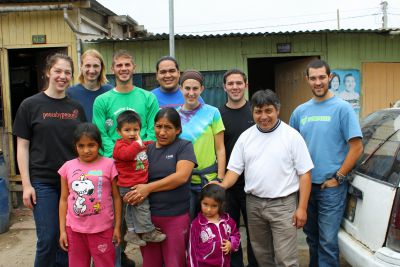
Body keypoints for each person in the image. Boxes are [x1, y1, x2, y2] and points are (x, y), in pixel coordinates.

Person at [217, 89, 313, 266]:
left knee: (286, 259)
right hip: (253, 204)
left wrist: (302, 208)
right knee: (262, 256)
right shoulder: (246, 137)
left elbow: (305, 174)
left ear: (277, 110)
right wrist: (220, 186)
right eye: (258, 111)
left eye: (268, 110)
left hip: (284, 205)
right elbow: (234, 171)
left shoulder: (292, 136)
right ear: (252, 112)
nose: (263, 116)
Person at [13, 53, 87, 267]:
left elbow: (84, 146)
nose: (62, 76)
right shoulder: (30, 105)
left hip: (73, 182)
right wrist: (26, 185)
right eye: (58, 71)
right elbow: (22, 146)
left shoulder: (76, 108)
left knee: (67, 239)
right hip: (43, 181)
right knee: (47, 238)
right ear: (47, 72)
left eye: (67, 72)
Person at [289, 59, 363, 267]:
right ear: (307, 80)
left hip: (331, 188)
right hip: (305, 188)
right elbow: (291, 148)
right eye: (313, 78)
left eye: (322, 77)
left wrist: (338, 177)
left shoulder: (343, 109)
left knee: (328, 243)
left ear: (330, 78)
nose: (318, 82)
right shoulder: (300, 112)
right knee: (312, 239)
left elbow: (357, 147)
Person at [123, 107, 198, 267]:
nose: (162, 132)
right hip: (147, 219)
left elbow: (181, 177)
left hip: (175, 217)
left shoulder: (184, 146)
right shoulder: (146, 149)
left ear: (178, 129)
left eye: (168, 127)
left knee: (175, 262)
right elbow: (130, 174)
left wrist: (148, 188)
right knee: (150, 263)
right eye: (158, 126)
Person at [58, 123, 121, 267]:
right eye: (81, 146)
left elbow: (117, 198)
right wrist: (62, 231)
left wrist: (117, 227)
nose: (86, 150)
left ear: (98, 144)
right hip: (74, 230)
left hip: (103, 229)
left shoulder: (110, 164)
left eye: (91, 145)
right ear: (75, 146)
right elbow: (63, 199)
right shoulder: (67, 167)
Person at [218, 69, 258, 267]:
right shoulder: (217, 114)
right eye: (230, 84)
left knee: (255, 233)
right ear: (224, 87)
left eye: (239, 83)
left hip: (253, 184)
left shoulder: (256, 112)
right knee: (229, 232)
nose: (235, 87)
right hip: (228, 184)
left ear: (246, 85)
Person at [176, 70, 226, 220]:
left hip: (208, 180)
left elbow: (220, 148)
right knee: (187, 224)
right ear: (180, 89)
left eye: (195, 88)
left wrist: (220, 179)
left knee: (210, 223)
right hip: (184, 181)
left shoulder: (213, 113)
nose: (191, 93)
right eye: (187, 88)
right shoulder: (174, 115)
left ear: (202, 89)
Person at [113, 110, 166, 246]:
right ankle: (148, 231)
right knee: (142, 206)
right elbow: (126, 155)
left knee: (131, 209)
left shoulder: (138, 143)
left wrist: (148, 144)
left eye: (135, 129)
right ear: (119, 132)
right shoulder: (120, 146)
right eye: (127, 130)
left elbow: (145, 145)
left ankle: (131, 232)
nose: (132, 133)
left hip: (135, 183)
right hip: (129, 184)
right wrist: (138, 145)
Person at [93, 49, 159, 157]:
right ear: (112, 69)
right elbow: (100, 134)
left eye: (127, 65)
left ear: (134, 68)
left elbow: (153, 131)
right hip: (113, 160)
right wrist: (118, 154)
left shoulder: (149, 98)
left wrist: (140, 151)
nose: (123, 68)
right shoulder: (101, 101)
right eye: (119, 65)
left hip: (142, 159)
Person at [189, 184, 241, 267]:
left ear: (221, 205)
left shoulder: (228, 221)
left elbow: (236, 235)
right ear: (200, 202)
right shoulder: (196, 224)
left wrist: (231, 244)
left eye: (214, 206)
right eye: (205, 204)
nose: (209, 209)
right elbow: (192, 250)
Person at [67, 49, 113, 121]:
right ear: (81, 67)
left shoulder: (110, 92)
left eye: (96, 66)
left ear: (101, 68)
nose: (91, 70)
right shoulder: (70, 93)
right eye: (88, 66)